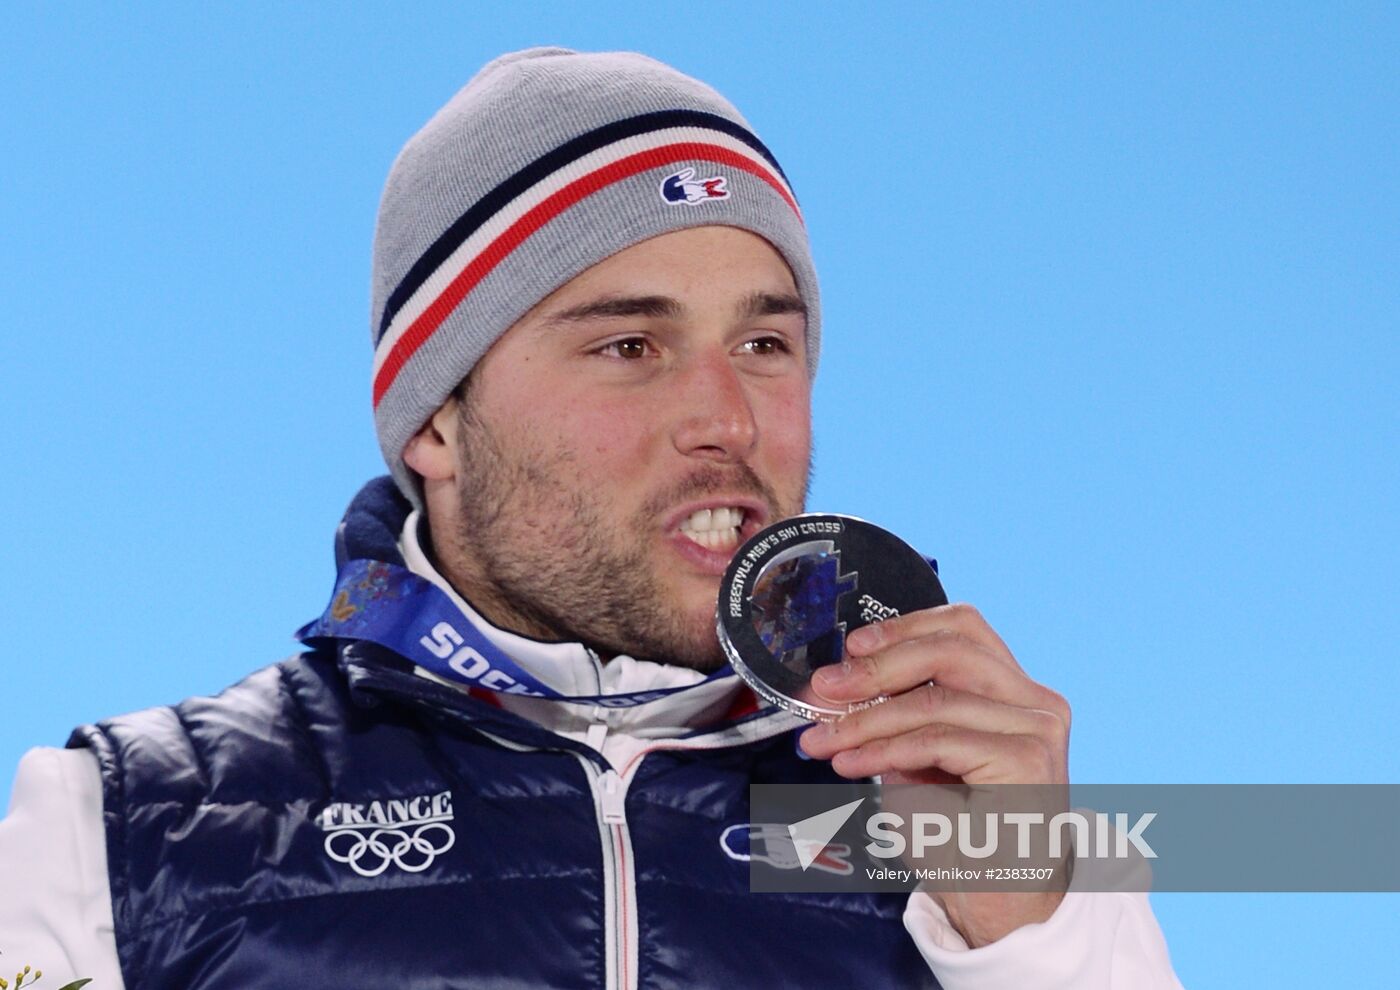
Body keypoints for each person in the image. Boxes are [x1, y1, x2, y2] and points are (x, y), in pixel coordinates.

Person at [0, 48, 1182, 988]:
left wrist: (1039, 934)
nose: (725, 418)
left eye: (763, 344)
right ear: (434, 422)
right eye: (630, 345)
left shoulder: (983, 828)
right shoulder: (119, 827)